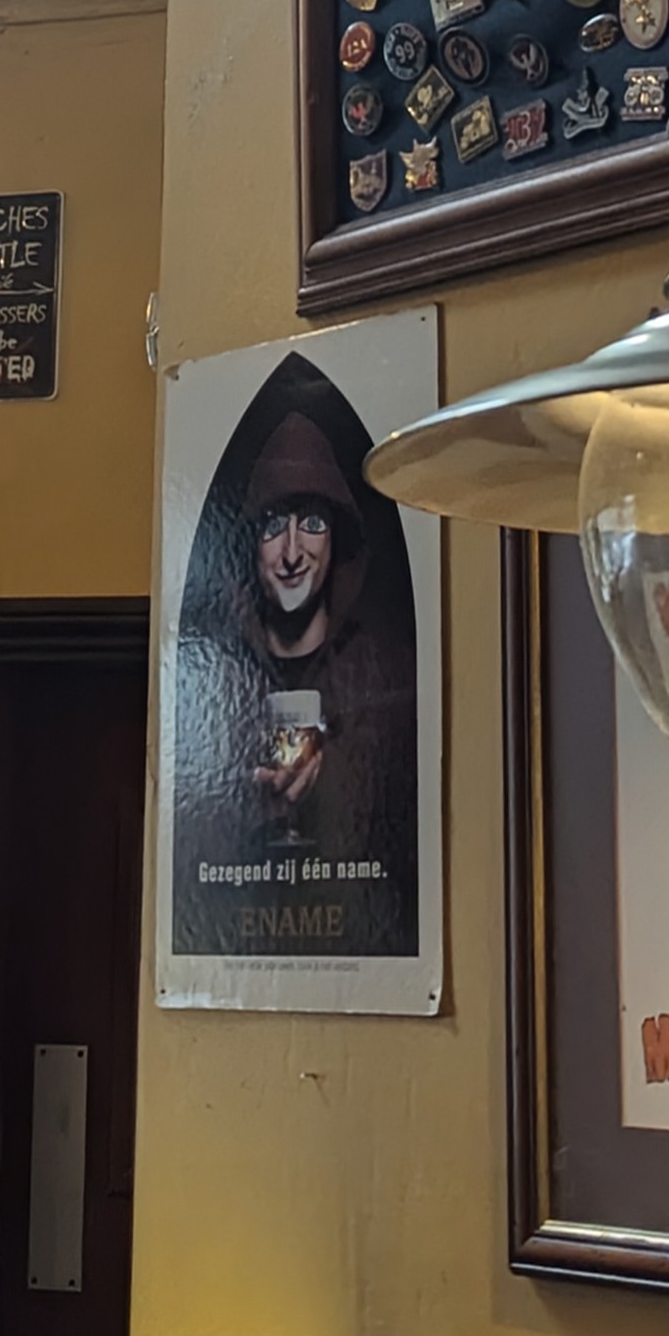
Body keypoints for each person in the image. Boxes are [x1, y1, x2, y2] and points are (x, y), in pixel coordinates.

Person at [169, 353, 421, 956]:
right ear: (249, 544)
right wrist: (246, 807)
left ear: (339, 539)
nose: (290, 552)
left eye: (311, 522)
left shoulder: (385, 683)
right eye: (271, 526)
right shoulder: (211, 681)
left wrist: (331, 788)